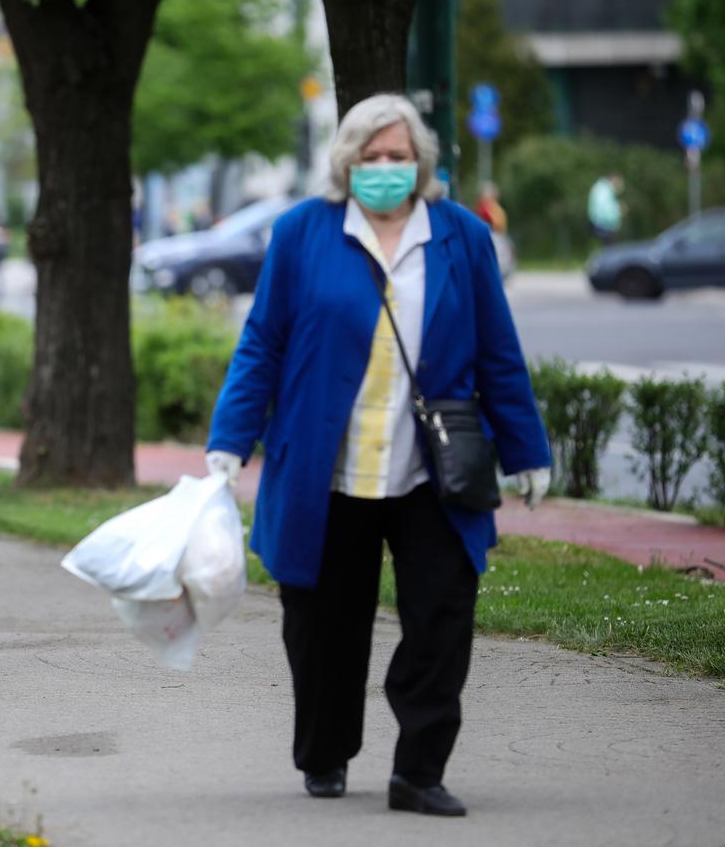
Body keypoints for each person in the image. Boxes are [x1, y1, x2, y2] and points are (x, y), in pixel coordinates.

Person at [204, 94, 550, 816]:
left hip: (432, 467)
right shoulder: (303, 232)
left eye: (399, 157)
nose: (386, 169)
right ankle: (325, 750)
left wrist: (527, 448)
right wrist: (229, 443)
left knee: (444, 615)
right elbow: (262, 343)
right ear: (348, 162)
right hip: (326, 470)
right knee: (322, 625)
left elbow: (497, 351)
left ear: (421, 163)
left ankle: (419, 770)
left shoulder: (461, 237)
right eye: (372, 157)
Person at [588, 173, 623, 243]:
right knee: (610, 250)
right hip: (604, 226)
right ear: (614, 180)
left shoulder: (601, 188)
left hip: (599, 225)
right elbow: (606, 210)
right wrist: (619, 211)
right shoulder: (604, 190)